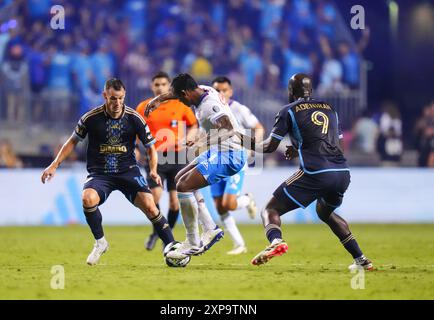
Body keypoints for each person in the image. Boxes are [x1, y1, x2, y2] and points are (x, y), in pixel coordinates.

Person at [41, 78, 176, 266]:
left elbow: (151, 147)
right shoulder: (90, 118)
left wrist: (153, 170)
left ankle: (172, 246)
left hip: (127, 171)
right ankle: (100, 242)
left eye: (120, 98)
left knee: (151, 205)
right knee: (87, 199)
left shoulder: (134, 118)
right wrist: (54, 165)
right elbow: (72, 141)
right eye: (113, 98)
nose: (117, 103)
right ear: (105, 96)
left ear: (124, 96)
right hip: (100, 173)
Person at [246, 73, 373, 271]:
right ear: (311, 90)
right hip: (342, 171)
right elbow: (334, 143)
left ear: (290, 91)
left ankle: (276, 241)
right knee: (325, 211)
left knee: (270, 210)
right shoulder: (330, 109)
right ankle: (361, 259)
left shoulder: (288, 110)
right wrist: (299, 149)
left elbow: (270, 146)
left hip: (316, 172)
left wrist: (245, 142)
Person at [145, 73, 253, 259]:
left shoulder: (209, 106)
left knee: (183, 186)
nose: (179, 101)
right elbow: (173, 92)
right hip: (219, 151)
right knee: (180, 179)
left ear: (186, 93)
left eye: (180, 98)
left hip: (229, 155)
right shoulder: (203, 89)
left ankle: (194, 241)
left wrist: (203, 142)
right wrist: (157, 100)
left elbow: (228, 130)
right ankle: (210, 228)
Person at [136, 71, 198, 251]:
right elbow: (134, 129)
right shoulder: (143, 107)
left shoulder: (180, 104)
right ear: (151, 86)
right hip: (154, 156)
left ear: (169, 86)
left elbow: (193, 124)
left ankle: (164, 234)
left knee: (174, 202)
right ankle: (158, 228)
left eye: (163, 84)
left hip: (177, 156)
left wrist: (190, 136)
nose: (160, 87)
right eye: (156, 84)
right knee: (154, 196)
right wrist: (135, 148)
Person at [211, 76, 262, 254]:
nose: (220, 93)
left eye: (224, 90)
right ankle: (239, 244)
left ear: (230, 91)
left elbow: (259, 127)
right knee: (219, 206)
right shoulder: (210, 109)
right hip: (215, 160)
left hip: (235, 161)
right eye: (217, 90)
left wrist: (252, 148)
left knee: (229, 203)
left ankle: (247, 199)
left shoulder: (238, 109)